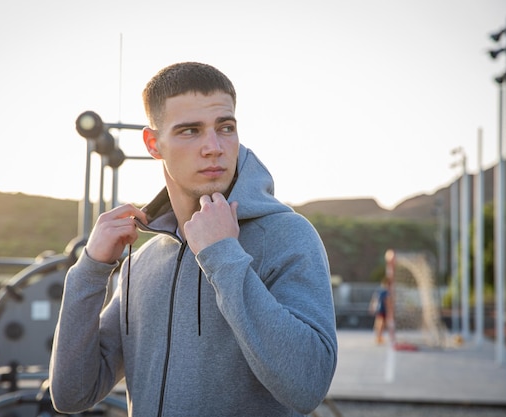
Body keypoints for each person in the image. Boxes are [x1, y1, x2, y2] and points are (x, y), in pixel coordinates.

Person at [49, 62, 338, 417]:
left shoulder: (288, 236)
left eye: (225, 127)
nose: (214, 147)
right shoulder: (141, 262)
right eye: (190, 131)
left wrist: (223, 257)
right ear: (154, 144)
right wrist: (90, 270)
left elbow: (308, 386)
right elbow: (71, 394)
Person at [369, 278, 389, 344]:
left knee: (379, 323)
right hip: (382, 309)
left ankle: (379, 337)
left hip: (379, 309)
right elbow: (386, 301)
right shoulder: (385, 292)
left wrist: (372, 307)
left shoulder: (378, 290)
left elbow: (373, 300)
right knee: (381, 324)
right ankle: (379, 337)